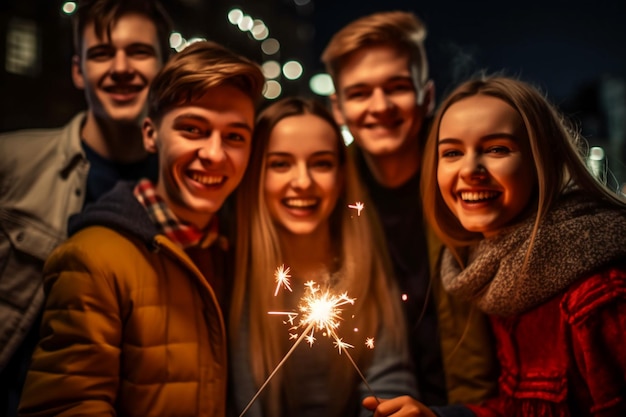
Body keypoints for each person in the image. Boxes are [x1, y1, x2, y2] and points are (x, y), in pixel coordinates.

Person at [17, 40, 265, 417]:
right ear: (151, 135)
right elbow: (64, 407)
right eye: (193, 129)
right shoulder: (93, 259)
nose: (215, 154)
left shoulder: (234, 252)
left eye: (234, 136)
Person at [364, 75, 626, 416]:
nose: (471, 169)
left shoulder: (599, 295)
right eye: (453, 152)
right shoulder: (496, 271)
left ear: (541, 159)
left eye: (497, 149)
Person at [0, 0, 172, 414]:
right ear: (79, 71)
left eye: (139, 51)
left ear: (165, 69)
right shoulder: (12, 163)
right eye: (101, 53)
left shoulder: (187, 187)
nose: (120, 67)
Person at [321, 10, 497, 405]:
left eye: (397, 86)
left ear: (427, 95)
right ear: (338, 108)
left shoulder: (471, 181)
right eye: (360, 92)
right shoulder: (326, 194)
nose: (380, 106)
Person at [228, 97, 417, 417]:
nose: (302, 182)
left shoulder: (368, 270)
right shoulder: (228, 275)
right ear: (255, 175)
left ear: (342, 176)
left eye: (321, 163)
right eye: (280, 163)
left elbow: (391, 380)